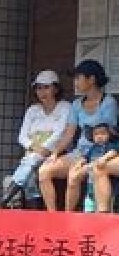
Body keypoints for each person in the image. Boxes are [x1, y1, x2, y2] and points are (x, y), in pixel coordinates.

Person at [37, 59, 119, 212]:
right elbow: (69, 133)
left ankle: (73, 215)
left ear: (91, 79)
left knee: (75, 176)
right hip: (80, 152)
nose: (75, 82)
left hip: (101, 152)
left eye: (78, 78)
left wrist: (87, 159)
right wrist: (55, 153)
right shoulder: (76, 104)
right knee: (44, 170)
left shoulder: (108, 103)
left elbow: (108, 134)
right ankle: (53, 216)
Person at [0, 70, 74, 208]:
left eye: (46, 87)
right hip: (34, 152)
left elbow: (59, 133)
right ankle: (32, 208)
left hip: (58, 152)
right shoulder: (32, 110)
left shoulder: (65, 107)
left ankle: (6, 198)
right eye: (39, 88)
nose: (42, 92)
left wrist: (43, 150)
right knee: (31, 170)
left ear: (56, 88)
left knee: (30, 163)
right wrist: (35, 148)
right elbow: (22, 136)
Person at [82, 122, 119, 212]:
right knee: (91, 203)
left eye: (103, 133)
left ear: (109, 135)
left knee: (110, 199)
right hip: (91, 182)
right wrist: (81, 165)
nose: (99, 136)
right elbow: (84, 158)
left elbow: (113, 152)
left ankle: (105, 212)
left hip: (108, 182)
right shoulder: (93, 148)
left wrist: (104, 158)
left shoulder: (110, 145)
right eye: (96, 134)